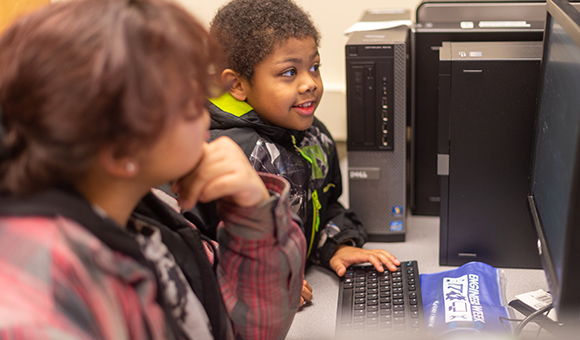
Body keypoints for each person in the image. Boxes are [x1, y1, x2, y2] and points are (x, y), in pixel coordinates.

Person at [0, 0, 306, 339]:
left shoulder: (148, 219)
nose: (205, 112)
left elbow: (243, 329)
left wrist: (254, 214)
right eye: (186, 102)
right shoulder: (38, 306)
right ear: (121, 148)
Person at [198, 0, 400, 305]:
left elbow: (323, 206)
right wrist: (260, 282)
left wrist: (337, 245)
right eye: (289, 72)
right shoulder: (216, 153)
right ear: (238, 85)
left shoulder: (312, 135)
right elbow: (189, 247)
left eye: (314, 67)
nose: (310, 83)